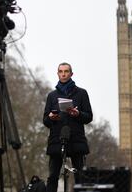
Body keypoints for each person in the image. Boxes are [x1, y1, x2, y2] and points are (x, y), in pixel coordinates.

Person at [43, 62, 93, 192]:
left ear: (71, 74)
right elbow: (45, 121)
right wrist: (50, 117)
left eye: (66, 71)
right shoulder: (51, 96)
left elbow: (89, 117)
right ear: (58, 73)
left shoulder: (82, 93)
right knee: (52, 177)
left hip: (76, 140)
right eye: (61, 71)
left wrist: (78, 114)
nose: (63, 74)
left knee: (80, 177)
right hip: (56, 140)